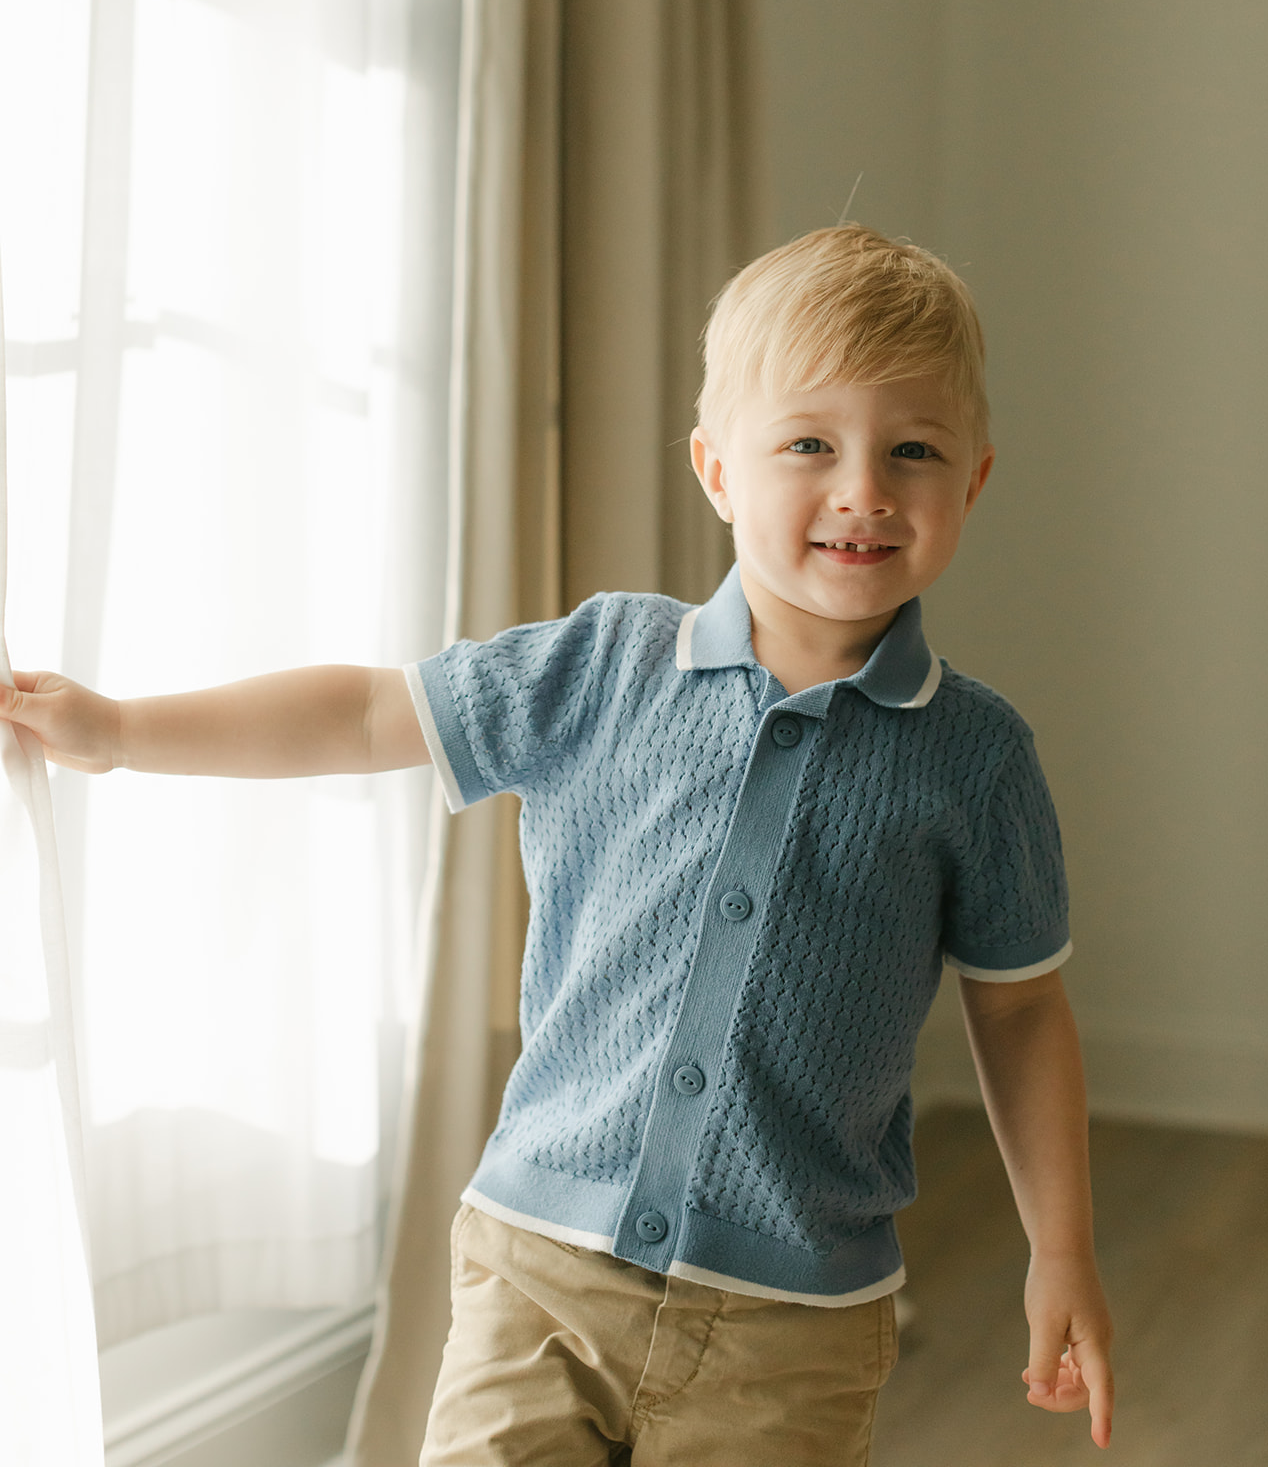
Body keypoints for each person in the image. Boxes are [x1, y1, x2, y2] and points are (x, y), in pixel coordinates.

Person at [0, 224, 1114, 1464]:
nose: (861, 487)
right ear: (714, 470)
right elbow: (375, 708)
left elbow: (1018, 1011)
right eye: (808, 443)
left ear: (971, 482)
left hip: (790, 1327)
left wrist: (1057, 1253)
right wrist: (120, 729)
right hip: (536, 1266)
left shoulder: (975, 754)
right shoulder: (601, 665)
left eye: (912, 450)